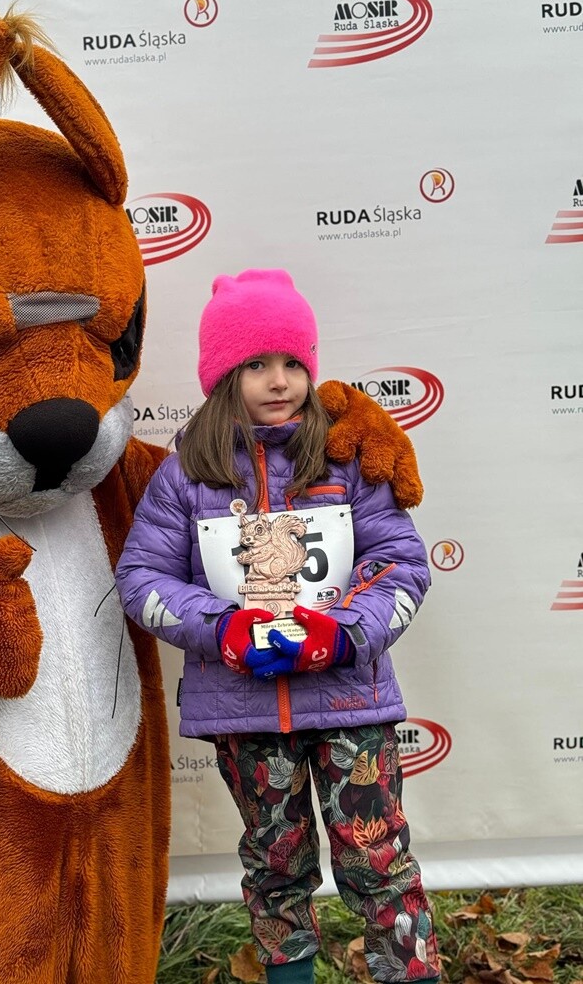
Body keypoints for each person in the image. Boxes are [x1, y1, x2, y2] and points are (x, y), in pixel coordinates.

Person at [115, 269, 440, 984]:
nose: (279, 380)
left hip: (351, 705)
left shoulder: (347, 458)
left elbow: (402, 564)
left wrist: (342, 633)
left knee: (380, 862)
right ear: (222, 375)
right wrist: (223, 629)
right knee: (275, 866)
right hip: (246, 714)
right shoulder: (186, 476)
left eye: (293, 361)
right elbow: (141, 580)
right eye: (256, 363)